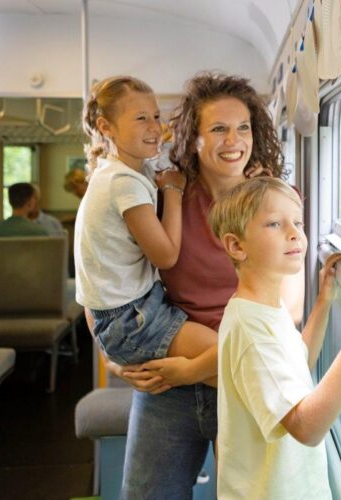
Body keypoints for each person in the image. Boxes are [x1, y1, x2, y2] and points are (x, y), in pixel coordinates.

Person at [98, 72, 302, 499]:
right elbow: (106, 276)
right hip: (168, 384)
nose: (234, 140)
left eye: (243, 127)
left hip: (244, 378)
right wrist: (116, 360)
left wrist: (191, 368)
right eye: (219, 128)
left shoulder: (277, 202)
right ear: (193, 138)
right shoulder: (162, 198)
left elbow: (290, 314)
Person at [210, 177, 341, 499]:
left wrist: (323, 303)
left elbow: (298, 363)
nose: (294, 233)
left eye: (298, 222)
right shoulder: (250, 330)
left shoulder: (266, 306)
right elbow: (306, 428)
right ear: (237, 246)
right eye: (274, 224)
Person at [75, 75, 217, 379]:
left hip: (131, 313)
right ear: (106, 127)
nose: (154, 127)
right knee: (230, 355)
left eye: (155, 116)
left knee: (231, 371)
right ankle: (180, 375)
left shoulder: (126, 170)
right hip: (131, 321)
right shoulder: (123, 184)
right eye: (141, 118)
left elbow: (163, 156)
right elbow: (166, 257)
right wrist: (173, 190)